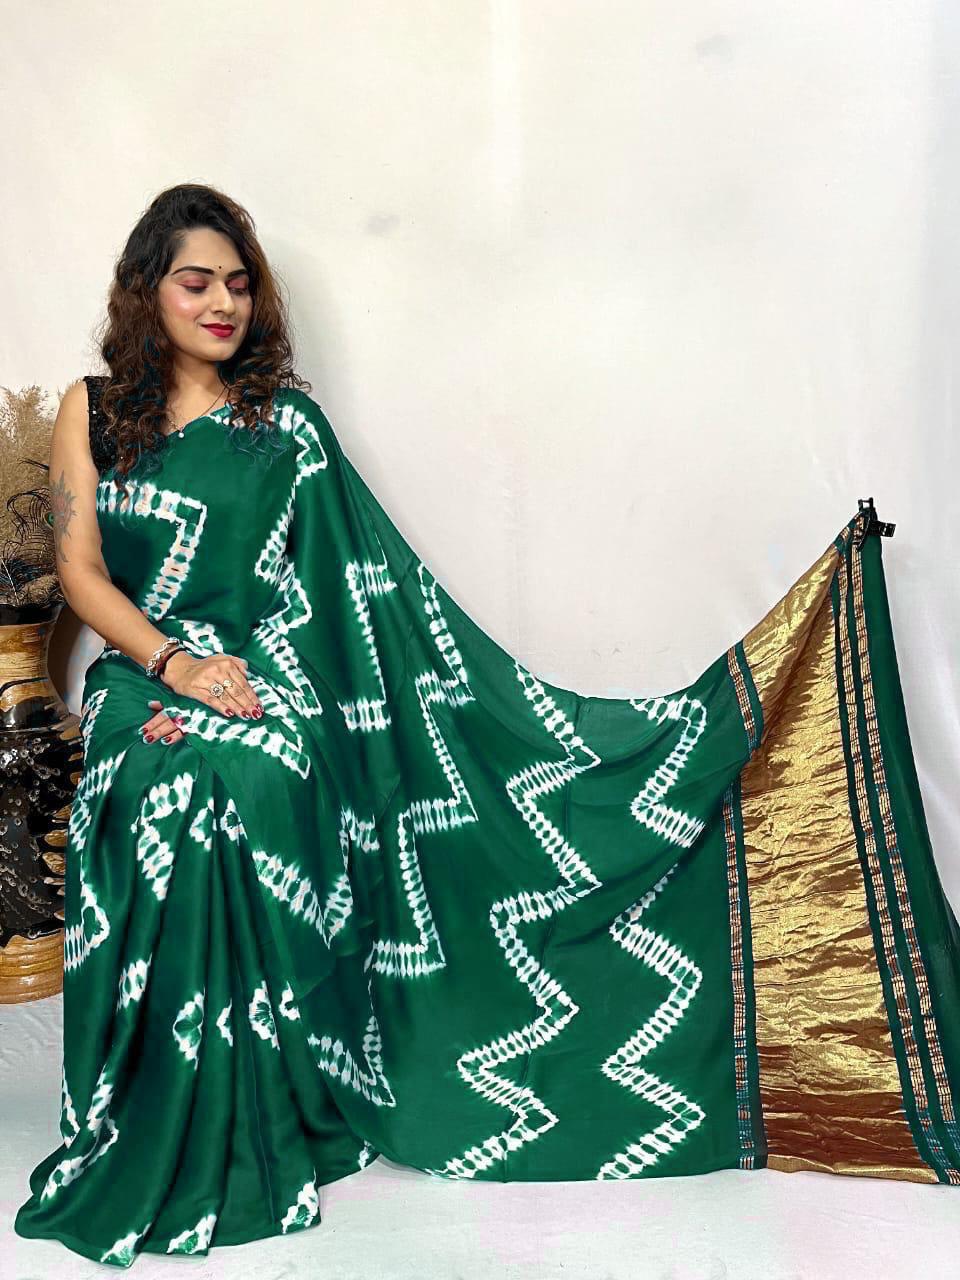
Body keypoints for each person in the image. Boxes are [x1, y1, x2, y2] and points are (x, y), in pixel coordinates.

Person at [15, 183, 960, 1268]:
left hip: (270, 671)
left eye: (238, 283)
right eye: (196, 282)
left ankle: (265, 1101)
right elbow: (81, 574)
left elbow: (337, 596)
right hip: (145, 670)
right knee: (154, 790)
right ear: (149, 290)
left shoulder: (286, 428)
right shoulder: (96, 410)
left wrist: (241, 690)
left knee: (247, 779)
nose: (222, 302)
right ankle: (154, 1110)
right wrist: (176, 668)